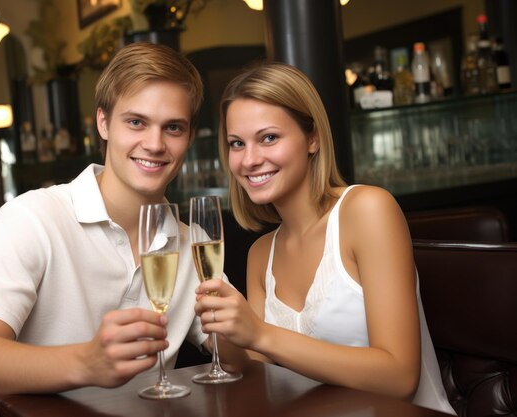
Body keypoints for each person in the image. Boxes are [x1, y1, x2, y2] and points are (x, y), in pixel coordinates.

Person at [0, 42, 243, 417]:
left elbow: (237, 354)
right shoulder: (32, 217)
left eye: (173, 128)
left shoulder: (194, 242)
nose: (154, 144)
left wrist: (242, 334)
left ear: (188, 136)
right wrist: (87, 362)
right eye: (136, 122)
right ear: (103, 122)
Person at [194, 62, 455, 415]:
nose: (250, 159)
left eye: (269, 137)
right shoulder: (261, 253)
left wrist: (259, 334)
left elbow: (399, 377)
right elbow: (259, 369)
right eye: (236, 143)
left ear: (313, 137)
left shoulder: (367, 210)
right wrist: (219, 328)